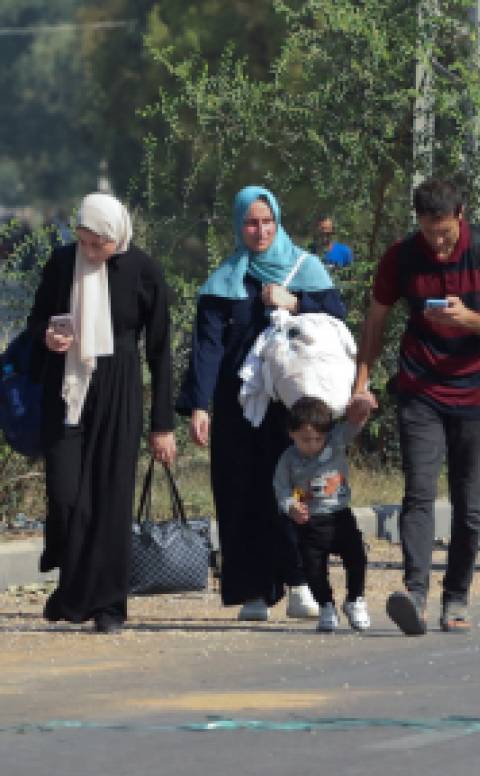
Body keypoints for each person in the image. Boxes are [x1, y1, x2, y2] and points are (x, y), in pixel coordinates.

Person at [353, 178, 480, 635]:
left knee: (467, 503)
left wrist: (466, 318)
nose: (439, 243)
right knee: (419, 492)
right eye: (429, 232)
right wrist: (361, 382)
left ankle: (457, 597)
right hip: (420, 387)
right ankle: (416, 593)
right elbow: (376, 320)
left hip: (477, 390)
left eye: (444, 232)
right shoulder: (402, 256)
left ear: (460, 215)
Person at [180, 185, 347, 622]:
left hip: (290, 408)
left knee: (291, 491)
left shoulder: (303, 268)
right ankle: (254, 592)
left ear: (278, 222)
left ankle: (300, 583)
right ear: (239, 225)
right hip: (237, 409)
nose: (260, 231)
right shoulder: (223, 282)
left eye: (267, 222)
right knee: (240, 494)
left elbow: (337, 318)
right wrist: (200, 406)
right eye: (251, 223)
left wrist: (295, 301)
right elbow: (208, 348)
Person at [28, 193, 174, 634]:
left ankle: (109, 605)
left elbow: (161, 350)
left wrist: (162, 424)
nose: (89, 253)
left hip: (120, 388)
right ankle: (72, 590)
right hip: (69, 387)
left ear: (117, 236)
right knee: (66, 494)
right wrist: (48, 337)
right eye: (83, 242)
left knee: (111, 497)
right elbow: (37, 321)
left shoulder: (143, 270)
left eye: (98, 245)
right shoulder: (61, 263)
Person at [274, 395, 373, 633]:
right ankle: (326, 606)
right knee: (313, 567)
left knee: (357, 557)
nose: (312, 444)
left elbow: (353, 425)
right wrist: (290, 507)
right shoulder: (288, 459)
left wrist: (363, 409)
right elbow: (281, 488)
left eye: (318, 438)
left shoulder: (335, 441)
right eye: (305, 439)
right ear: (292, 433)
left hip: (340, 516)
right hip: (310, 521)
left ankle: (355, 600)